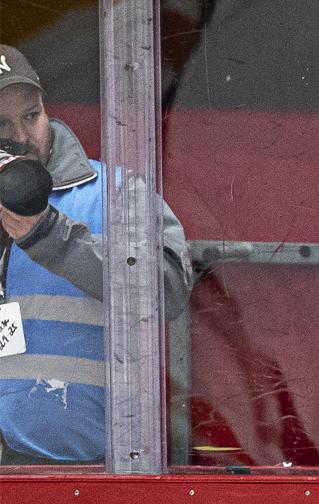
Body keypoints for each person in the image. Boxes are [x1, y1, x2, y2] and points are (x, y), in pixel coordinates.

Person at [0, 44, 191, 465]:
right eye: (2, 123)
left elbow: (170, 289)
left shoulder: (115, 193)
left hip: (88, 471)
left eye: (32, 116)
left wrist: (55, 238)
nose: (21, 137)